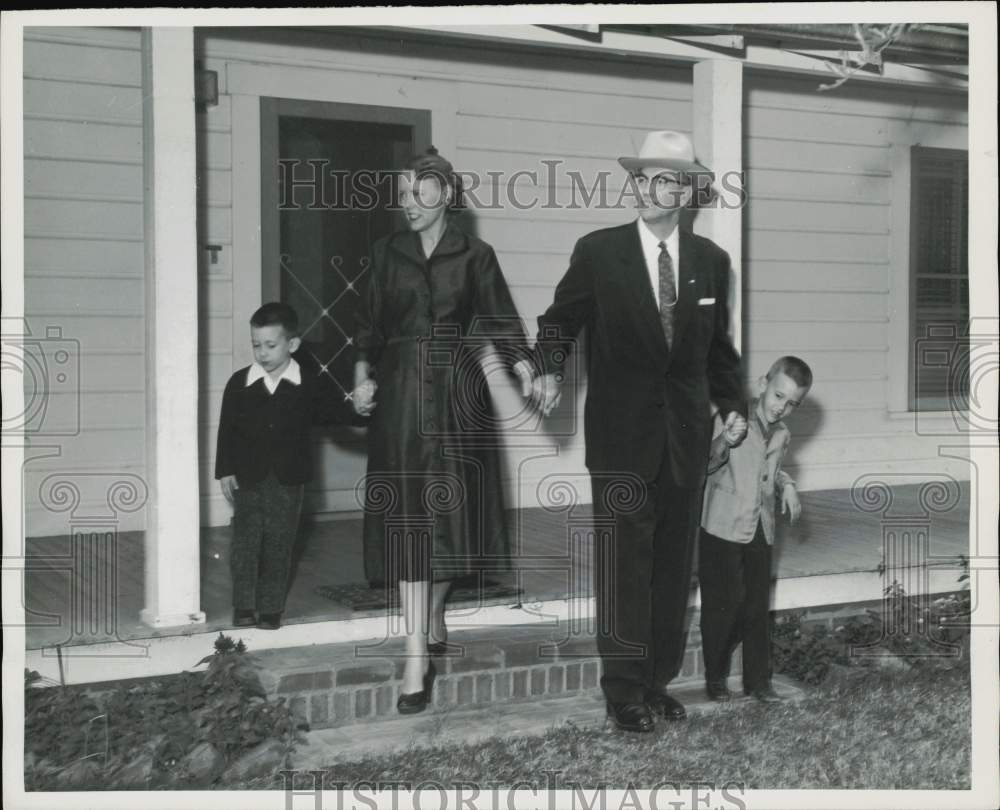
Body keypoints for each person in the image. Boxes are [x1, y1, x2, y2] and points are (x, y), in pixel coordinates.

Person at [526, 131, 747, 733]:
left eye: (669, 179)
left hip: (685, 438)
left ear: (685, 191)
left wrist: (732, 406)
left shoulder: (710, 263)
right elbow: (559, 321)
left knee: (673, 567)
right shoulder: (599, 252)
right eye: (646, 178)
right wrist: (546, 366)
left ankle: (655, 681)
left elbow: (718, 351)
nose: (656, 189)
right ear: (636, 185)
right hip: (622, 437)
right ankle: (622, 689)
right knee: (626, 564)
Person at [352, 147, 530, 714]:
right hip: (402, 393)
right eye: (402, 195)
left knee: (454, 515)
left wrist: (527, 365)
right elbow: (369, 326)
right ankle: (414, 658)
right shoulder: (386, 253)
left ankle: (433, 610)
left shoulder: (476, 254)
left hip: (457, 391)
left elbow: (502, 320)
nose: (409, 204)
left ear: (445, 194)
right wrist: (362, 380)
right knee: (409, 516)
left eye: (419, 193)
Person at [215, 302, 342, 630]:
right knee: (245, 543)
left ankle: (270, 608)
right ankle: (244, 605)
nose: (262, 353)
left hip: (289, 478)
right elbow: (226, 429)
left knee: (279, 543)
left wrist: (362, 403)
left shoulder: (308, 384)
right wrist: (225, 470)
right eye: (256, 345)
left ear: (293, 345)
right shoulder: (239, 383)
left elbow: (335, 412)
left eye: (271, 345)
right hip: (248, 477)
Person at [699, 356, 813, 703]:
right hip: (722, 524)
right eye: (779, 396)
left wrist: (788, 485)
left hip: (761, 527)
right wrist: (725, 442)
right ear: (764, 384)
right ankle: (716, 679)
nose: (782, 408)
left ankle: (759, 683)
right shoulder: (732, 417)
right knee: (724, 605)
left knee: (756, 607)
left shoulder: (782, 433)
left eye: (792, 403)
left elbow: (770, 468)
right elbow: (705, 462)